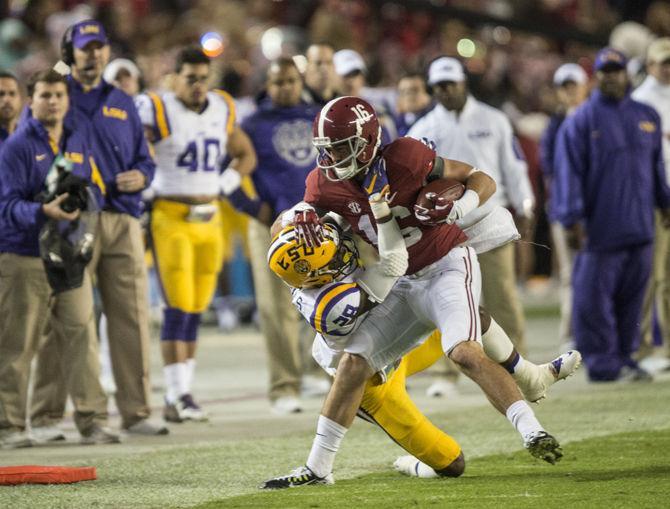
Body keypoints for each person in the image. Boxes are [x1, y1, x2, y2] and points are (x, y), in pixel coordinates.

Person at [261, 96, 565, 488]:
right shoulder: (324, 182)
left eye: (340, 147)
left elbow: (479, 177)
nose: (332, 157)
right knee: (353, 364)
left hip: (446, 265)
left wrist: (461, 205)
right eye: (327, 149)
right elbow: (285, 229)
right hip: (401, 281)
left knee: (463, 352)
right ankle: (318, 469)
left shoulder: (404, 156)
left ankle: (533, 431)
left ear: (367, 141)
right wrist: (294, 214)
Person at [30, 20, 167, 436]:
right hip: (71, 220)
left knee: (131, 317)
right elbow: (31, 143)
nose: (94, 55)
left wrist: (142, 177)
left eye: (100, 47)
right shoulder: (54, 95)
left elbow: (146, 159)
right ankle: (47, 413)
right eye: (86, 48)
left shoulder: (123, 102)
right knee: (67, 318)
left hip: (122, 219)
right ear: (71, 52)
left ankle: (137, 412)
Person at [136, 45, 256, 422]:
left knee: (197, 306)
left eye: (203, 78)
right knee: (178, 305)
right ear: (174, 79)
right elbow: (134, 151)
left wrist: (226, 181)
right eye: (190, 78)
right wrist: (148, 184)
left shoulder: (221, 107)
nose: (198, 86)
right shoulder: (158, 107)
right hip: (171, 214)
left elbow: (246, 154)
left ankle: (182, 392)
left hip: (210, 217)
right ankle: (178, 393)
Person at [0, 69, 118, 448]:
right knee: (18, 345)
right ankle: (10, 426)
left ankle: (92, 420)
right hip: (24, 255)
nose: (52, 101)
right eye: (45, 95)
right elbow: (6, 206)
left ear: (67, 101)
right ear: (30, 101)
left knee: (82, 334)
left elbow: (92, 185)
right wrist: (42, 211)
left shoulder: (78, 139)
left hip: (68, 257)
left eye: (58, 95)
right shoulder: (16, 147)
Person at [408, 57, 534, 396]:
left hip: (489, 219)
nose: (447, 91)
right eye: (440, 86)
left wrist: (525, 206)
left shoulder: (494, 119)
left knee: (501, 296)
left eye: (452, 83)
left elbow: (514, 167)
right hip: (443, 227)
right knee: (445, 299)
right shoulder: (422, 129)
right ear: (433, 89)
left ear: (464, 83)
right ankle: (446, 374)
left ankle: (518, 367)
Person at [554, 47, 670, 382]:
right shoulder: (581, 122)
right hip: (599, 229)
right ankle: (603, 363)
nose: (611, 76)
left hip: (640, 226)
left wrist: (664, 202)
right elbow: (569, 174)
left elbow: (656, 168)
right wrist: (572, 219)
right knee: (594, 300)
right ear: (597, 77)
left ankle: (625, 357)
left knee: (633, 299)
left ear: (626, 74)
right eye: (605, 71)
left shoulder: (646, 115)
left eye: (616, 70)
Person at [223, 57, 326, 413]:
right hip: (272, 224)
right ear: (267, 85)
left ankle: (316, 372)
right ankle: (284, 386)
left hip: (317, 222)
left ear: (301, 82)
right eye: (278, 82)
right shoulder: (252, 123)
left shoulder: (318, 116)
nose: (284, 88)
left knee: (325, 298)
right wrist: (254, 209)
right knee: (273, 307)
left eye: (290, 81)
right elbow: (228, 172)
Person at [540, 63, 589, 352]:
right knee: (571, 275)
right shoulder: (555, 126)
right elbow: (551, 172)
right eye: (564, 87)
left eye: (574, 86)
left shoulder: (597, 118)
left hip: (599, 210)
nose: (569, 92)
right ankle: (571, 335)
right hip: (566, 208)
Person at [633, 38, 670, 373]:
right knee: (652, 277)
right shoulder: (640, 102)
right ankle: (645, 347)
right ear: (649, 64)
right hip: (656, 200)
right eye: (663, 62)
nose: (668, 68)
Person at [395, 73, 433, 137]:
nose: (408, 96)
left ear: (427, 95)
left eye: (414, 91)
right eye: (403, 92)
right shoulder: (393, 125)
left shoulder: (436, 121)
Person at [0, 70, 21, 144]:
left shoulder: (29, 137)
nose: (7, 100)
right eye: (1, 94)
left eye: (12, 94)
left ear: (20, 99)